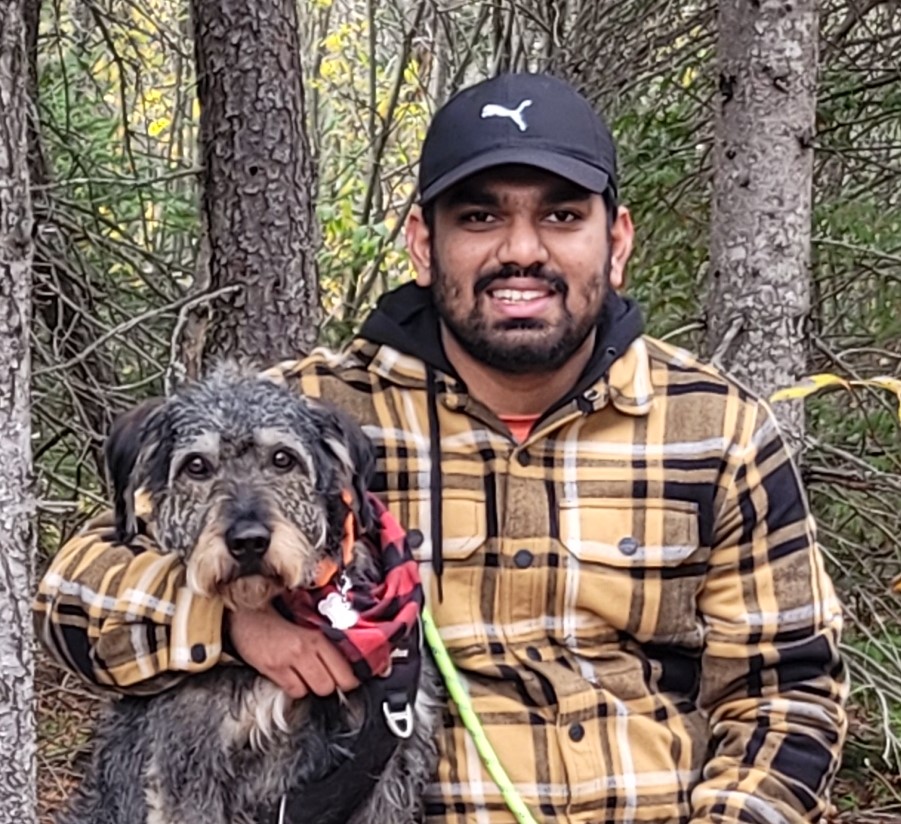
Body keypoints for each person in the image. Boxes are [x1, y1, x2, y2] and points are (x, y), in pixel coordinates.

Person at [35, 72, 847, 823]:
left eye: (561, 216)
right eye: (480, 217)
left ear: (617, 241)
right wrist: (226, 621)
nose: (521, 249)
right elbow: (70, 595)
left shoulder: (714, 428)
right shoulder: (308, 416)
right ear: (424, 244)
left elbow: (790, 693)